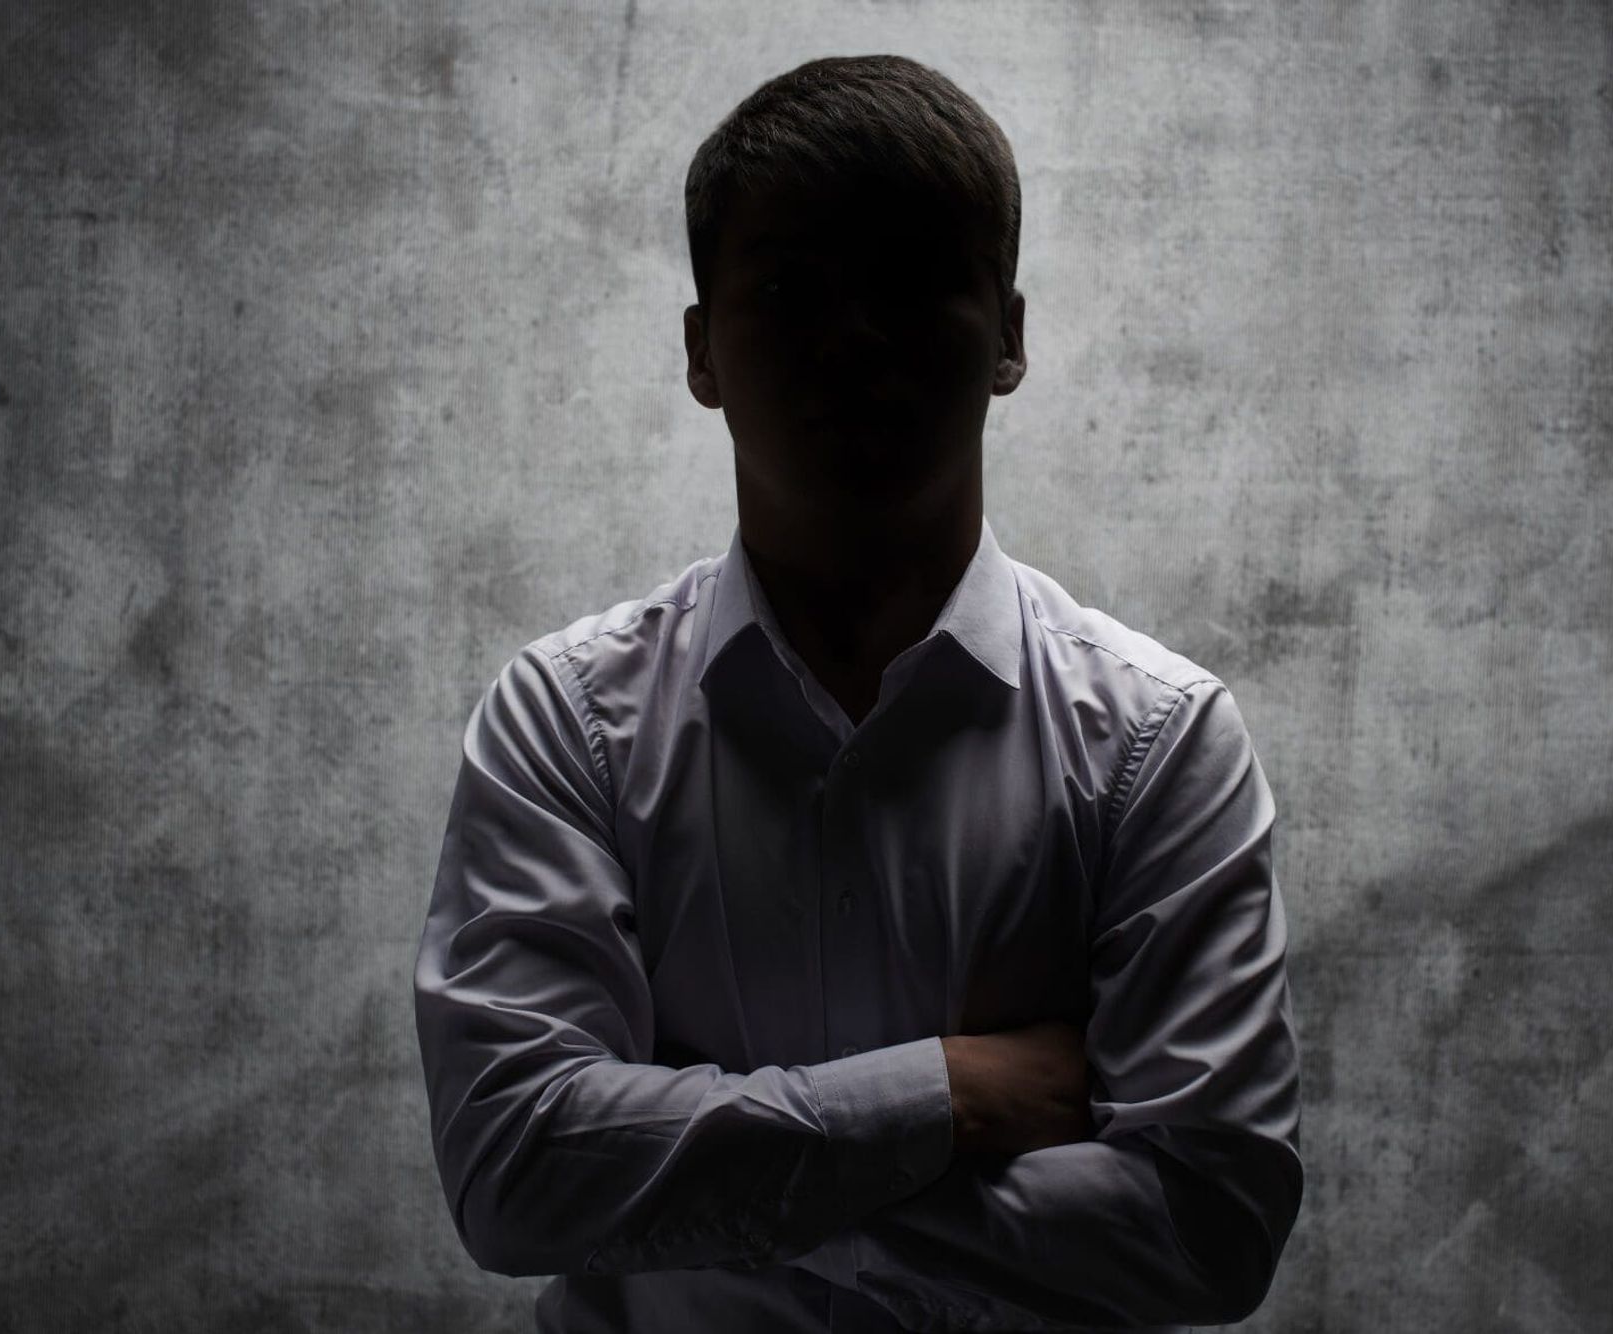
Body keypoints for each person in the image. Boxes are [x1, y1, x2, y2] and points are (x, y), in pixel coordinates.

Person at [413, 53, 1303, 1333]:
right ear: (699, 349)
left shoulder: (1158, 742)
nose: (852, 336)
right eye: (785, 287)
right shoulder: (565, 722)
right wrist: (949, 1095)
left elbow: (1207, 1226)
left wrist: (710, 1191)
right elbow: (514, 1170)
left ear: (1005, 333)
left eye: (908, 279)